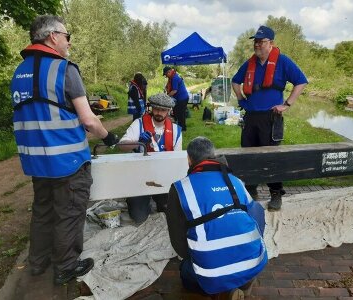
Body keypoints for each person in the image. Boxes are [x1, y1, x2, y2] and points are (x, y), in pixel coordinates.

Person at [10, 15, 119, 285]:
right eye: (67, 36)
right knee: (69, 214)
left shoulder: (19, 72)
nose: (69, 42)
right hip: (68, 162)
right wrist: (108, 137)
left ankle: (37, 263)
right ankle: (66, 267)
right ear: (53, 37)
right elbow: (89, 119)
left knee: (43, 211)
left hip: (36, 161)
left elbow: (42, 113)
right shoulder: (64, 69)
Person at [166, 136, 268, 299]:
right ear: (213, 155)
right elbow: (259, 216)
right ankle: (243, 283)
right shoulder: (237, 182)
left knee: (185, 271)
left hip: (210, 272)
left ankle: (223, 292)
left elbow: (178, 242)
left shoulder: (180, 188)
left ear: (189, 160)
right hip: (255, 260)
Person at [231, 25, 308, 211]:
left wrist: (287, 104)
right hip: (251, 116)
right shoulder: (250, 63)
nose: (257, 45)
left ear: (271, 43)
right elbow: (235, 81)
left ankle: (275, 193)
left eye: (261, 41)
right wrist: (241, 99)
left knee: (271, 156)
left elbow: (301, 81)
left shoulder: (282, 61)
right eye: (255, 41)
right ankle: (250, 188)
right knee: (248, 154)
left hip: (271, 117)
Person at [118, 93, 182, 223]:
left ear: (169, 111)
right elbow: (121, 146)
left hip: (164, 177)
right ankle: (140, 201)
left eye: (163, 110)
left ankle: (161, 200)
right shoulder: (139, 124)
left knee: (171, 214)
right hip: (140, 176)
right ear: (151, 108)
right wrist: (138, 141)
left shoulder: (176, 130)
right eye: (156, 109)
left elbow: (177, 160)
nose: (159, 112)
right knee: (138, 217)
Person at [163, 66, 189, 131]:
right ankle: (180, 126)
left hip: (182, 98)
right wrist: (166, 88)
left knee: (180, 113)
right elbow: (168, 86)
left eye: (166, 74)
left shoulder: (174, 78)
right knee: (176, 111)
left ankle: (182, 128)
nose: (166, 76)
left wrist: (166, 96)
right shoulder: (173, 76)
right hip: (180, 98)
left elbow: (174, 91)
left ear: (169, 72)